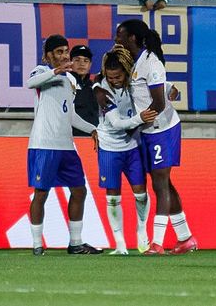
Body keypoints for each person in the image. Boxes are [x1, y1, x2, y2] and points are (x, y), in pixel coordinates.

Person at [115, 19, 197, 255]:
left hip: (161, 129)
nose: (116, 39)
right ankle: (185, 238)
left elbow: (159, 102)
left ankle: (158, 243)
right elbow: (154, 89)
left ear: (132, 38)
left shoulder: (149, 62)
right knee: (164, 183)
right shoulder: (137, 60)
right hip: (150, 129)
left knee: (160, 184)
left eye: (120, 35)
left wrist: (137, 123)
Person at [26, 34, 102, 256]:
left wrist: (93, 129)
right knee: (41, 193)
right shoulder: (41, 72)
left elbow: (70, 115)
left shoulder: (71, 80)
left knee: (79, 190)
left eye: (65, 51)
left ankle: (76, 243)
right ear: (48, 55)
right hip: (43, 144)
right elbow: (30, 83)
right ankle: (37, 244)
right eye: (58, 52)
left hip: (66, 146)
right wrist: (57, 70)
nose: (63, 56)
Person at [93, 45, 158, 254]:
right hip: (109, 148)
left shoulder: (134, 83)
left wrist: (171, 88)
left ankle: (142, 230)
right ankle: (120, 243)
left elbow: (156, 84)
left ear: (126, 71)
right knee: (113, 197)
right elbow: (117, 124)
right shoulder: (103, 90)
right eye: (110, 77)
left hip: (132, 146)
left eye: (118, 76)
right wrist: (141, 118)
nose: (114, 80)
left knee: (141, 194)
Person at [70, 44, 99, 136]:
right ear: (70, 62)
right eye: (77, 60)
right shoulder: (65, 85)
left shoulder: (95, 87)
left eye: (85, 60)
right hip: (71, 140)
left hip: (94, 139)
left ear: (90, 64)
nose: (81, 64)